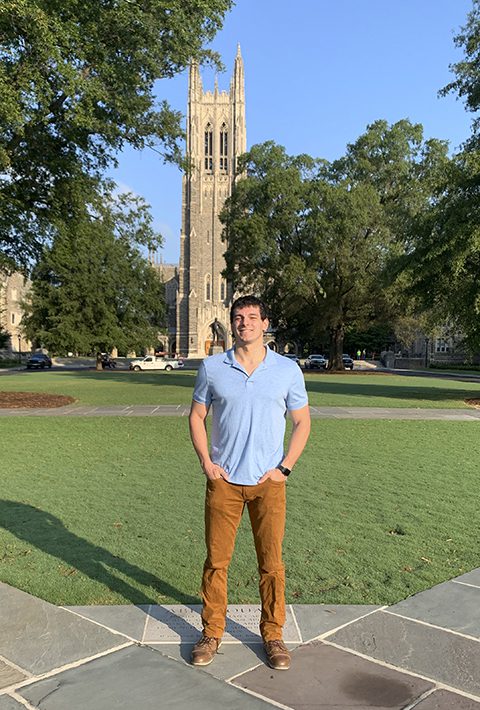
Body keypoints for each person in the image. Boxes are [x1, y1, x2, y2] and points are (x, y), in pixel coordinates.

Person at [189, 295, 311, 671]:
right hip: (224, 483)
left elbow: (302, 422)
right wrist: (207, 463)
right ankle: (211, 632)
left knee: (271, 564)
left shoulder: (287, 369)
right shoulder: (212, 368)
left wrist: (285, 468)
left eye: (252, 317)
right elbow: (196, 416)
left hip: (269, 484)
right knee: (216, 562)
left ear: (265, 323)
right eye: (239, 318)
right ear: (232, 323)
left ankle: (273, 635)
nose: (245, 324)